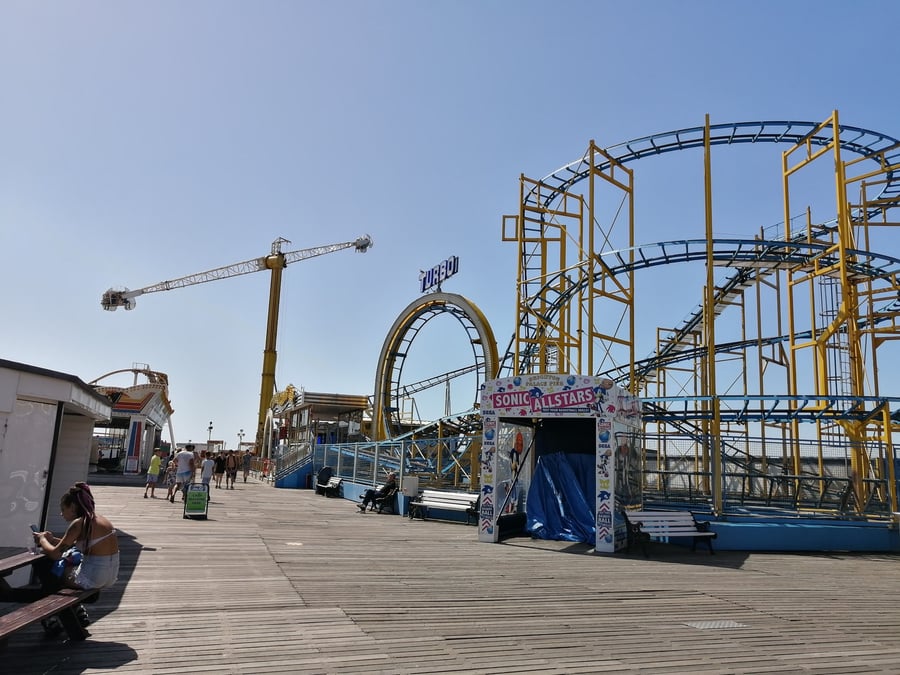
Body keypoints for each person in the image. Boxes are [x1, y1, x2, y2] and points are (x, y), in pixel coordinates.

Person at [0, 482, 119, 632]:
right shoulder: (98, 520)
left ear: (73, 507)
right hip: (109, 575)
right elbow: (72, 545)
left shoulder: (78, 524)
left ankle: (47, 614)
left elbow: (55, 554)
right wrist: (51, 539)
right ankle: (72, 610)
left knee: (47, 569)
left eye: (63, 509)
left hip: (93, 577)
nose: (61, 514)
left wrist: (42, 539)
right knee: (54, 576)